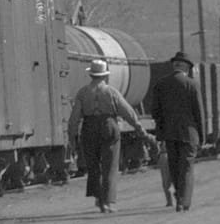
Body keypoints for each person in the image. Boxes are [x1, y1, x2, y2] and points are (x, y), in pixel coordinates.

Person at [64, 59, 150, 213]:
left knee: (93, 165)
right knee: (110, 165)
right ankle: (108, 202)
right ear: (104, 76)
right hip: (108, 126)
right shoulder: (111, 92)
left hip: (89, 128)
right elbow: (127, 112)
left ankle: (98, 198)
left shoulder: (83, 93)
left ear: (91, 75)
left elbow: (74, 117)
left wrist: (72, 136)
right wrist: (139, 128)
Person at [149, 53, 204, 211]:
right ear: (187, 67)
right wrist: (202, 135)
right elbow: (198, 112)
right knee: (186, 166)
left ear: (174, 66)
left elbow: (155, 111)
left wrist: (161, 130)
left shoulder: (161, 84)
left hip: (169, 133)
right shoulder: (192, 84)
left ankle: (179, 196)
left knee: (174, 165)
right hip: (189, 133)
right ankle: (183, 201)